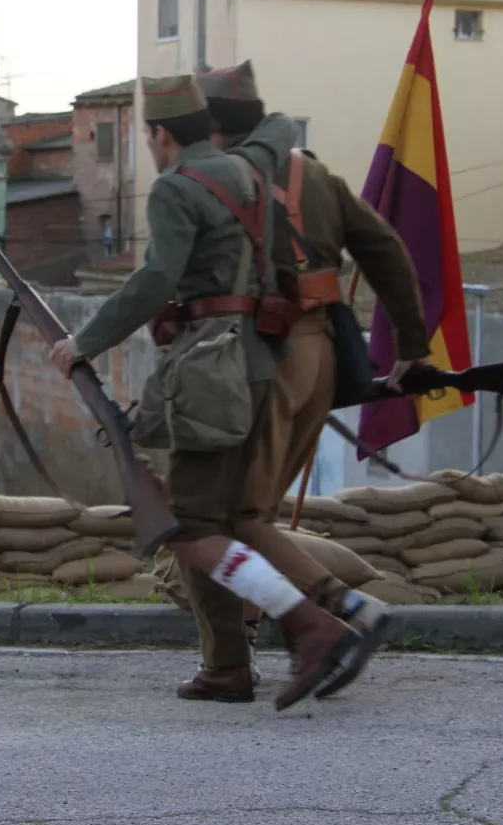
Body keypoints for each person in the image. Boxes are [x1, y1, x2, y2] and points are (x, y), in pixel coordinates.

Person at [48, 75, 364, 711]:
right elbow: (277, 129)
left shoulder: (174, 188)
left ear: (161, 135)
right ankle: (227, 668)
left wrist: (86, 340)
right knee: (215, 523)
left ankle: (311, 624)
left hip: (207, 368)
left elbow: (158, 275)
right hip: (256, 362)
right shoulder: (250, 172)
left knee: (188, 524)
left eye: (148, 136)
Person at [177, 60, 432, 703]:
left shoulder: (221, 180)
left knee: (216, 518)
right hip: (321, 357)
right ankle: (230, 661)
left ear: (208, 124)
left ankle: (337, 615)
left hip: (259, 357)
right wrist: (411, 345)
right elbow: (384, 248)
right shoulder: (312, 174)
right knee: (226, 518)